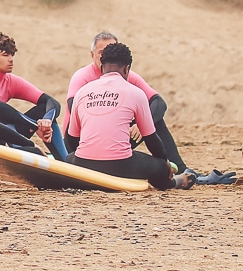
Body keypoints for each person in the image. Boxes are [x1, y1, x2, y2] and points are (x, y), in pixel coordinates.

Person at [65, 42, 193, 190]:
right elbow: (152, 139)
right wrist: (164, 163)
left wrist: (86, 156)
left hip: (84, 165)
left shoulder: (82, 92)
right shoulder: (136, 92)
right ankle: (175, 183)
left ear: (101, 67)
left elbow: (71, 139)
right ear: (127, 69)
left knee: (69, 158)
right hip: (121, 165)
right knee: (159, 166)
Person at [0, 32, 69, 160]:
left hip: (8, 131)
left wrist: (46, 121)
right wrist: (35, 125)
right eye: (5, 55)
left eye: (12, 54)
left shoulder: (11, 80)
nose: (11, 59)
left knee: (44, 112)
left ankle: (66, 163)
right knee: (4, 119)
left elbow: (51, 102)